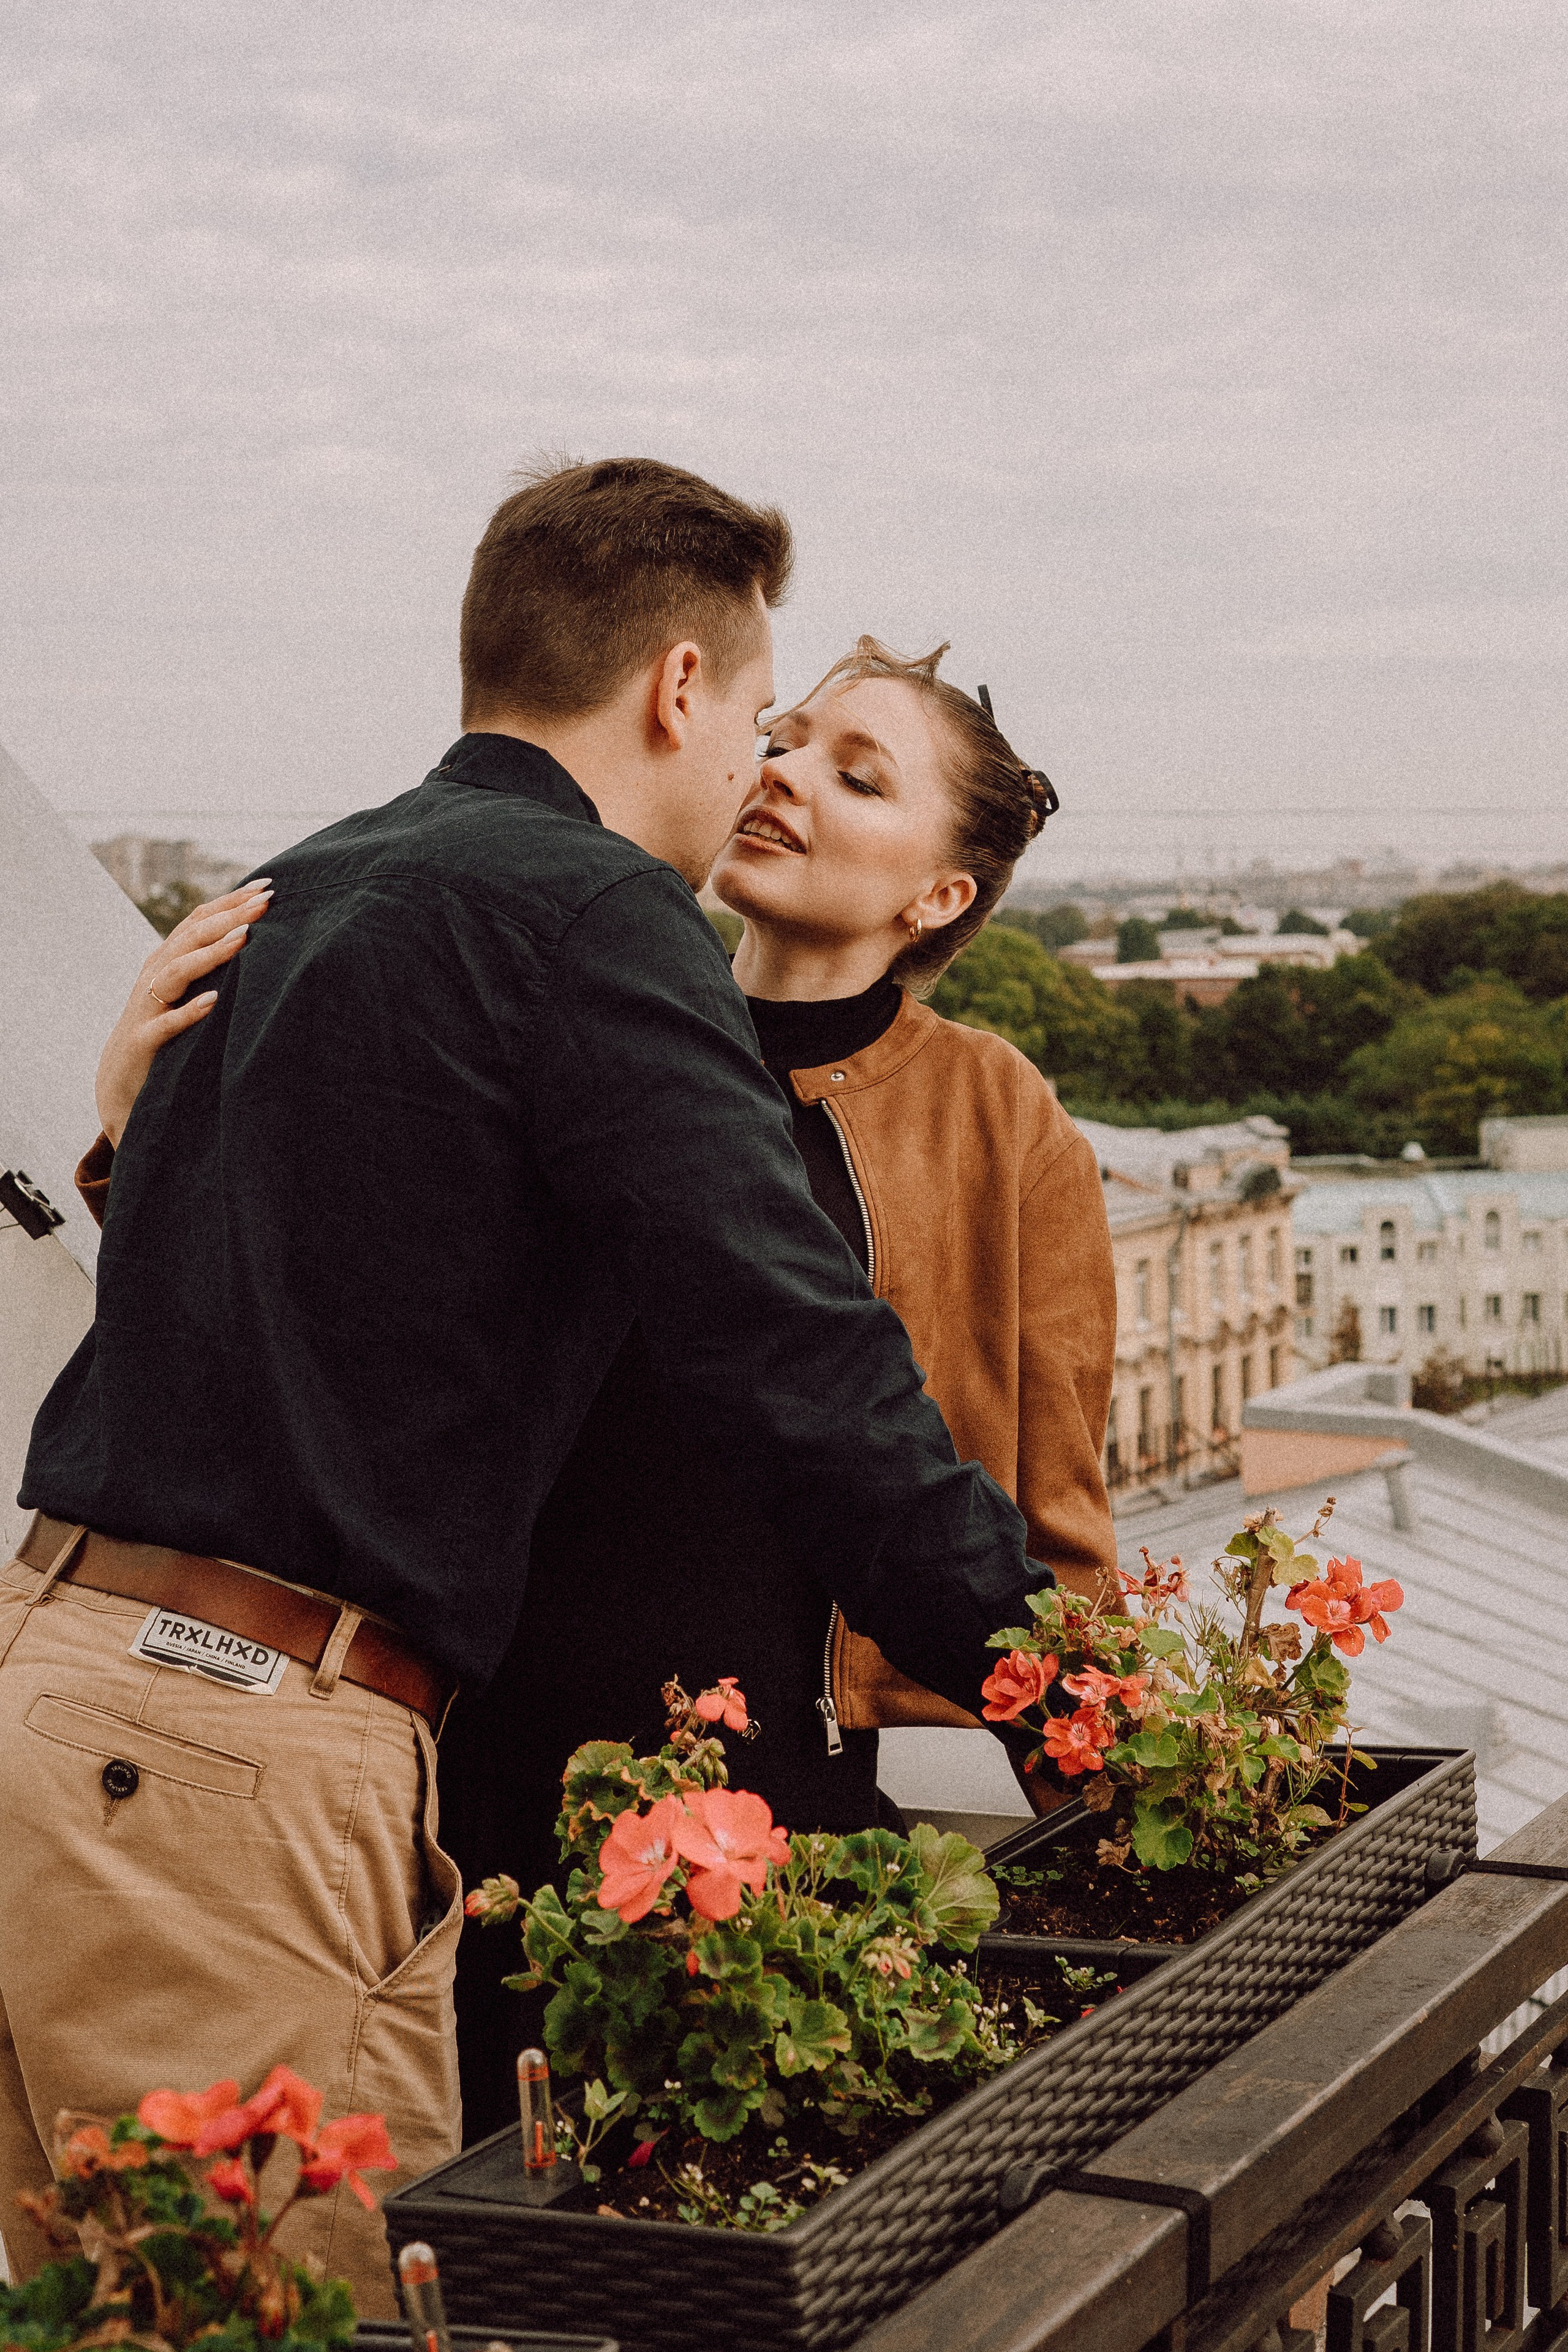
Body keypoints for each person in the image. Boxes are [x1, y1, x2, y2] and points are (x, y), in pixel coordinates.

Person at [0, 459, 1050, 2297]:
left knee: (102, 2311)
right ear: (675, 686)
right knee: (300, 2303)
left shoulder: (297, 883)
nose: (759, 767)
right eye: (762, 717)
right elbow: (805, 1364)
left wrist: (120, 1139)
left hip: (54, 1681)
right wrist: (1066, 1694)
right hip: (242, 1748)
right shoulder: (594, 917)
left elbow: (323, 1267)